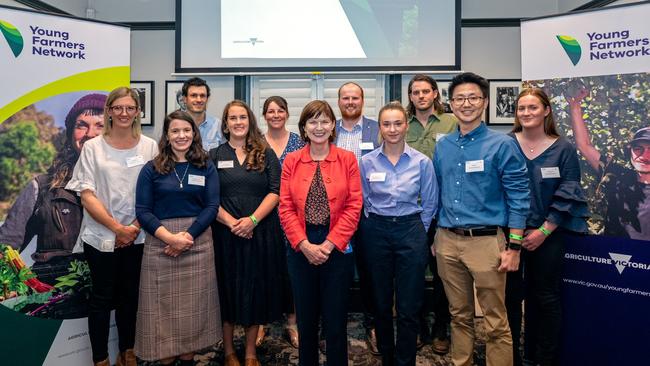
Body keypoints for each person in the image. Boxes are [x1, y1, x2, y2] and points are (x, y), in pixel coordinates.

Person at [432, 72, 529, 366]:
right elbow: (438, 193)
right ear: (451, 104)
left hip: (487, 243)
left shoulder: (502, 145)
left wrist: (514, 247)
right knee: (458, 315)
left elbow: (519, 197)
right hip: (448, 242)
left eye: (473, 97)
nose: (466, 103)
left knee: (495, 320)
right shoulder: (443, 146)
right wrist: (437, 235)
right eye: (460, 98)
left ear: (485, 102)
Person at [66, 87, 158, 366]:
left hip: (139, 235)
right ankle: (101, 358)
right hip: (101, 236)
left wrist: (132, 228)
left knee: (131, 297)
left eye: (130, 108)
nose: (124, 113)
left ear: (138, 112)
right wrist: (118, 228)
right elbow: (87, 194)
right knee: (101, 300)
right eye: (118, 107)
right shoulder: (94, 147)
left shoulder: (149, 146)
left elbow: (156, 193)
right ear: (109, 111)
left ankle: (127, 352)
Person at [505, 88, 589, 366]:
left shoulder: (562, 148)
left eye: (533, 107)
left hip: (548, 236)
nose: (526, 113)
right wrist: (515, 236)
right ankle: (513, 357)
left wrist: (544, 230)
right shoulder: (506, 144)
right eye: (521, 108)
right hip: (509, 236)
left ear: (546, 111)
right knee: (509, 299)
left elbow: (570, 191)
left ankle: (543, 359)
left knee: (546, 298)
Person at [134, 110, 221, 366]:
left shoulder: (206, 166)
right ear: (167, 135)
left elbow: (212, 207)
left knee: (192, 317)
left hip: (197, 243)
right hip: (160, 244)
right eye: (175, 131)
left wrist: (187, 237)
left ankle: (188, 359)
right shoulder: (151, 169)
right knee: (162, 320)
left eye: (186, 130)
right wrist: (171, 240)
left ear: (194, 134)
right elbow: (143, 212)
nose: (181, 135)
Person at [279, 100, 362, 366]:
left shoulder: (347, 159)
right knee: (306, 319)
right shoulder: (292, 160)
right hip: (300, 246)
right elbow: (285, 207)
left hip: (336, 247)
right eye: (312, 121)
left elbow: (354, 205)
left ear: (333, 126)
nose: (319, 127)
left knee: (336, 319)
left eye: (325, 121)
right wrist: (304, 244)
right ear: (303, 128)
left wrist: (329, 244)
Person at [0, 94, 105, 293]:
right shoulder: (41, 186)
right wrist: (27, 288)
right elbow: (5, 248)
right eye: (81, 125)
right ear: (70, 134)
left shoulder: (126, 185)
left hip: (105, 295)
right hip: (51, 298)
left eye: (100, 126)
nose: (90, 134)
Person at [359, 102, 437, 366]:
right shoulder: (366, 162)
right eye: (386, 124)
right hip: (376, 232)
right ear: (379, 128)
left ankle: (405, 361)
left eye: (397, 123)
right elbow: (363, 199)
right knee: (380, 304)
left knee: (408, 306)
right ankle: (386, 358)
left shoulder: (421, 162)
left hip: (410, 230)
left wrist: (418, 232)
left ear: (406, 125)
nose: (392, 129)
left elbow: (429, 203)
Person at [210, 100, 288, 366]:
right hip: (225, 234)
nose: (238, 122)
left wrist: (252, 220)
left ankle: (251, 352)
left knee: (255, 289)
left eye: (243, 117)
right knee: (227, 289)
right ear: (226, 124)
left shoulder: (265, 153)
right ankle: (230, 350)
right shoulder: (214, 155)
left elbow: (276, 191)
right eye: (232, 118)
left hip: (260, 232)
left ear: (250, 121)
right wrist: (233, 223)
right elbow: (208, 198)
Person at [405, 74, 457, 353]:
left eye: (426, 91)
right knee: (412, 271)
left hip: (444, 207)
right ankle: (418, 324)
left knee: (442, 272)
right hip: (409, 209)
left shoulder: (451, 122)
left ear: (435, 94)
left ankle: (441, 326)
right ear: (410, 96)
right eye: (416, 92)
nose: (421, 96)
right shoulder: (401, 123)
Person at [567, 88, 650, 240]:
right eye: (638, 149)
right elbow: (584, 145)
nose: (644, 155)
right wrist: (575, 106)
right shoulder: (618, 175)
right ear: (630, 152)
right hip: (611, 257)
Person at [335, 81, 380, 353]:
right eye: (345, 98)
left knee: (370, 272)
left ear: (362, 101)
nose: (350, 102)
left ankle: (374, 327)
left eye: (355, 97)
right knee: (332, 273)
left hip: (368, 212)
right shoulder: (329, 130)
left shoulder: (378, 129)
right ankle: (331, 327)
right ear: (338, 102)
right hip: (335, 213)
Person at [258, 95, 304, 348]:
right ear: (264, 115)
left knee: (291, 271)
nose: (275, 115)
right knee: (264, 269)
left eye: (280, 111)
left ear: (287, 114)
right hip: (263, 216)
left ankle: (292, 322)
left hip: (292, 216)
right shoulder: (255, 143)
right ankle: (262, 322)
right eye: (270, 111)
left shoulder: (298, 143)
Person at [181, 77, 223, 151]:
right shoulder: (175, 125)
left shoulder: (218, 125)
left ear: (207, 99)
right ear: (184, 99)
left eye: (202, 96)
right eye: (193, 95)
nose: (199, 100)